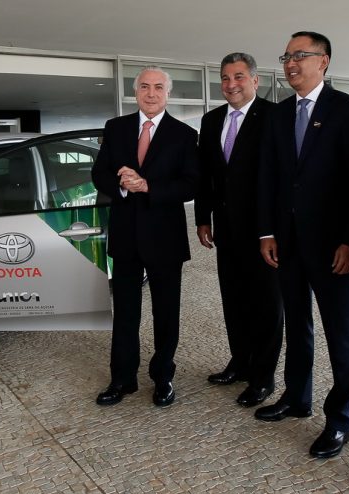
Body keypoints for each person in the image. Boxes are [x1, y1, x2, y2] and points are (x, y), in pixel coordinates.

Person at [255, 32, 349, 459]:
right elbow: (268, 176)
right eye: (286, 56)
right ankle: (296, 397)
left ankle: (339, 420)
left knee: (341, 333)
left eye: (300, 55)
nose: (290, 63)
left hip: (332, 245)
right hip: (286, 242)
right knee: (297, 323)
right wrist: (266, 232)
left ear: (324, 61)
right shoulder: (279, 114)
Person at [92, 65, 199, 407]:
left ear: (168, 93)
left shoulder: (184, 134)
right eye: (144, 87)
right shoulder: (116, 128)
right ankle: (122, 379)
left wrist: (148, 186)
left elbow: (191, 184)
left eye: (158, 87)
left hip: (165, 238)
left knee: (165, 313)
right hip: (126, 235)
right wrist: (122, 185)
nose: (151, 93)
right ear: (135, 92)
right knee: (125, 312)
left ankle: (163, 377)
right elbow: (99, 173)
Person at [195, 53, 283, 408]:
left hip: (264, 231)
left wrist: (272, 229)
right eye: (225, 78)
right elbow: (206, 174)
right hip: (226, 228)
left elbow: (280, 177)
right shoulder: (211, 119)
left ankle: (263, 376)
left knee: (266, 303)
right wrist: (202, 218)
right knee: (234, 299)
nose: (231, 84)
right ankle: (241, 362)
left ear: (255, 80)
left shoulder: (275, 116)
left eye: (239, 76)